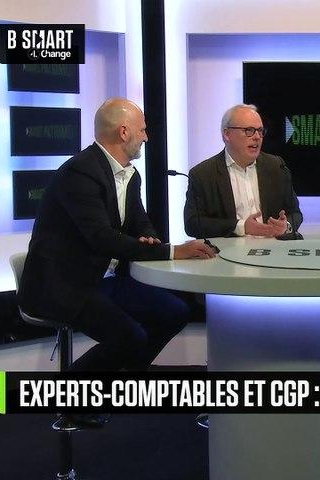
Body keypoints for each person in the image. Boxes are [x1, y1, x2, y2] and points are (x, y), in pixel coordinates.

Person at [18, 98, 216, 425]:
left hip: (103, 280)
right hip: (61, 284)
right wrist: (172, 251)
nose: (147, 137)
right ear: (124, 132)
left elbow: (140, 224)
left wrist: (150, 239)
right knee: (130, 336)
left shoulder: (129, 176)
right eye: (143, 130)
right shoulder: (80, 172)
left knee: (175, 311)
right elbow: (101, 238)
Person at [184, 104, 302, 240]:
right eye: (249, 130)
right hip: (227, 251)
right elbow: (192, 224)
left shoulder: (276, 167)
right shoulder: (202, 174)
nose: (257, 137)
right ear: (227, 134)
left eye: (260, 131)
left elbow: (295, 213)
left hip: (272, 249)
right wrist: (241, 227)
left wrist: (286, 225)